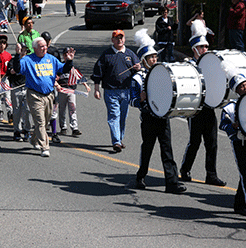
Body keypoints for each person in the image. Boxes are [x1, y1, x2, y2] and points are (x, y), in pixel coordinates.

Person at [130, 29, 186, 194]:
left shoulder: (163, 74)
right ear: (144, 60)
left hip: (163, 117)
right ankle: (140, 176)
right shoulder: (137, 78)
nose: (154, 59)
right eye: (151, 58)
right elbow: (131, 100)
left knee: (167, 150)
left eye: (155, 57)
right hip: (148, 118)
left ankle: (172, 183)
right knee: (147, 148)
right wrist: (140, 99)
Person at [180, 21, 226, 187]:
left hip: (209, 108)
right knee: (195, 142)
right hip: (195, 110)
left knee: (212, 143)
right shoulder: (189, 65)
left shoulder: (211, 65)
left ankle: (211, 175)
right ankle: (185, 170)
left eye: (206, 47)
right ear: (194, 49)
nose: (205, 50)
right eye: (201, 47)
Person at [219, 73, 246, 221]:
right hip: (240, 144)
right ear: (236, 90)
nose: (245, 87)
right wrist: (233, 126)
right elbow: (222, 125)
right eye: (242, 86)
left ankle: (239, 204)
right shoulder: (230, 108)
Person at [91, 29, 141, 152]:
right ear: (112, 40)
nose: (119, 40)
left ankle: (119, 138)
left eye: (121, 37)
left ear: (124, 39)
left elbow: (138, 70)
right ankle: (116, 142)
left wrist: (138, 67)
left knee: (123, 116)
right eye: (117, 38)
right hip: (110, 91)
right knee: (114, 115)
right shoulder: (106, 55)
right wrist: (96, 90)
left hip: (126, 91)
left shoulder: (130, 54)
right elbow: (97, 74)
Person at [20, 37, 64, 157]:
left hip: (49, 94)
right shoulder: (28, 59)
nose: (44, 48)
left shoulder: (51, 59)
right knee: (40, 121)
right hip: (34, 95)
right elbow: (18, 69)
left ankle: (34, 139)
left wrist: (69, 61)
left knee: (45, 122)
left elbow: (63, 68)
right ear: (34, 48)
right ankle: (45, 147)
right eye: (41, 46)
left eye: (45, 46)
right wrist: (19, 56)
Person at [53, 47, 90, 136]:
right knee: (62, 109)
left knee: (72, 108)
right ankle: (63, 127)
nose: (67, 57)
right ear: (63, 56)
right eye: (65, 55)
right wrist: (56, 80)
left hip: (71, 90)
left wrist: (86, 85)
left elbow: (80, 77)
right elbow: (54, 77)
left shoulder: (74, 67)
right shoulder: (60, 66)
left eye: (68, 55)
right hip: (62, 90)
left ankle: (74, 127)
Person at [7, 42, 31, 141]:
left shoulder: (29, 61)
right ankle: (17, 131)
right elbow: (9, 72)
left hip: (27, 88)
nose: (23, 52)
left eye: (25, 50)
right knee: (17, 111)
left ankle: (27, 130)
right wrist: (12, 71)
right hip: (16, 88)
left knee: (28, 110)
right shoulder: (13, 61)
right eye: (21, 49)